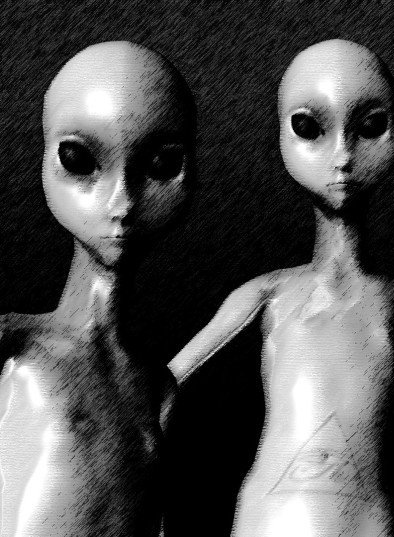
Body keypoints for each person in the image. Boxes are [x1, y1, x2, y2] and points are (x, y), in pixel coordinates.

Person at [169, 39, 394, 537]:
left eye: (369, 127)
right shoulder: (268, 293)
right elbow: (163, 389)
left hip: (368, 522)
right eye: (311, 128)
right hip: (271, 520)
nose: (343, 156)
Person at [0, 41, 195, 536]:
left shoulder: (156, 388)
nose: (122, 201)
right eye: (80, 160)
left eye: (160, 166)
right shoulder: (16, 346)